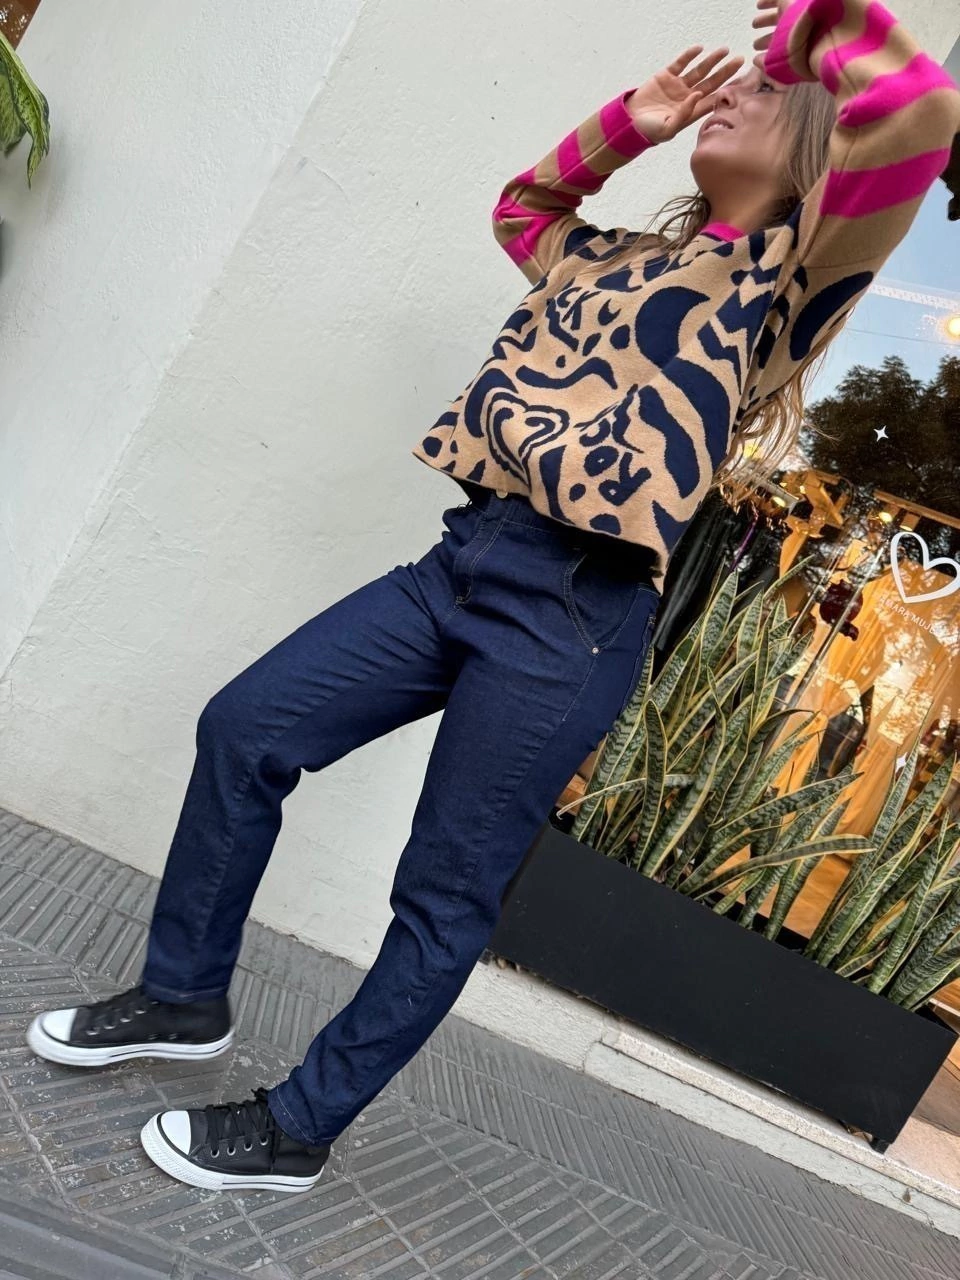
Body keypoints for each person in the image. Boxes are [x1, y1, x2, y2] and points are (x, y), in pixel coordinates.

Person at [26, 0, 960, 1194]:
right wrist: (632, 121)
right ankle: (182, 993)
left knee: (443, 890)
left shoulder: (784, 287)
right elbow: (522, 207)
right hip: (465, 560)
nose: (733, 90)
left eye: (766, 94)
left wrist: (814, 32)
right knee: (246, 728)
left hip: (573, 612)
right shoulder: (612, 256)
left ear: (817, 154)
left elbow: (921, 112)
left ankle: (299, 1125)